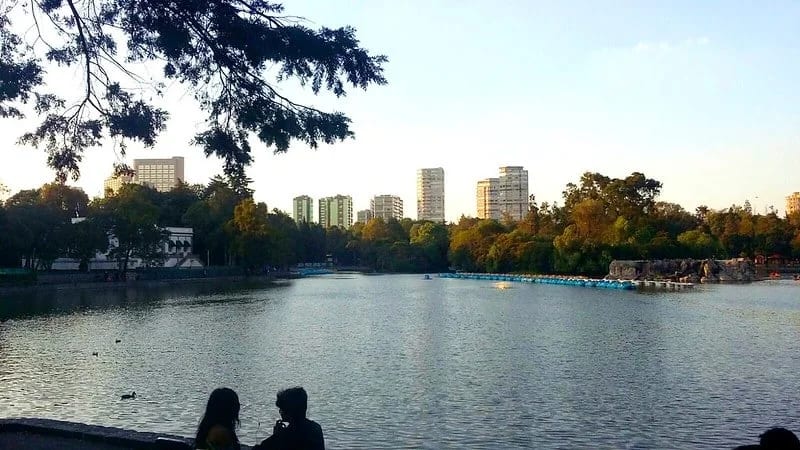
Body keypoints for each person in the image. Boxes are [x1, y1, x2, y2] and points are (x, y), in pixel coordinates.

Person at [253, 387, 324, 450]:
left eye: (282, 410)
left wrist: (276, 436)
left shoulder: (286, 435)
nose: (280, 412)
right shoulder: (316, 428)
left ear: (289, 412)